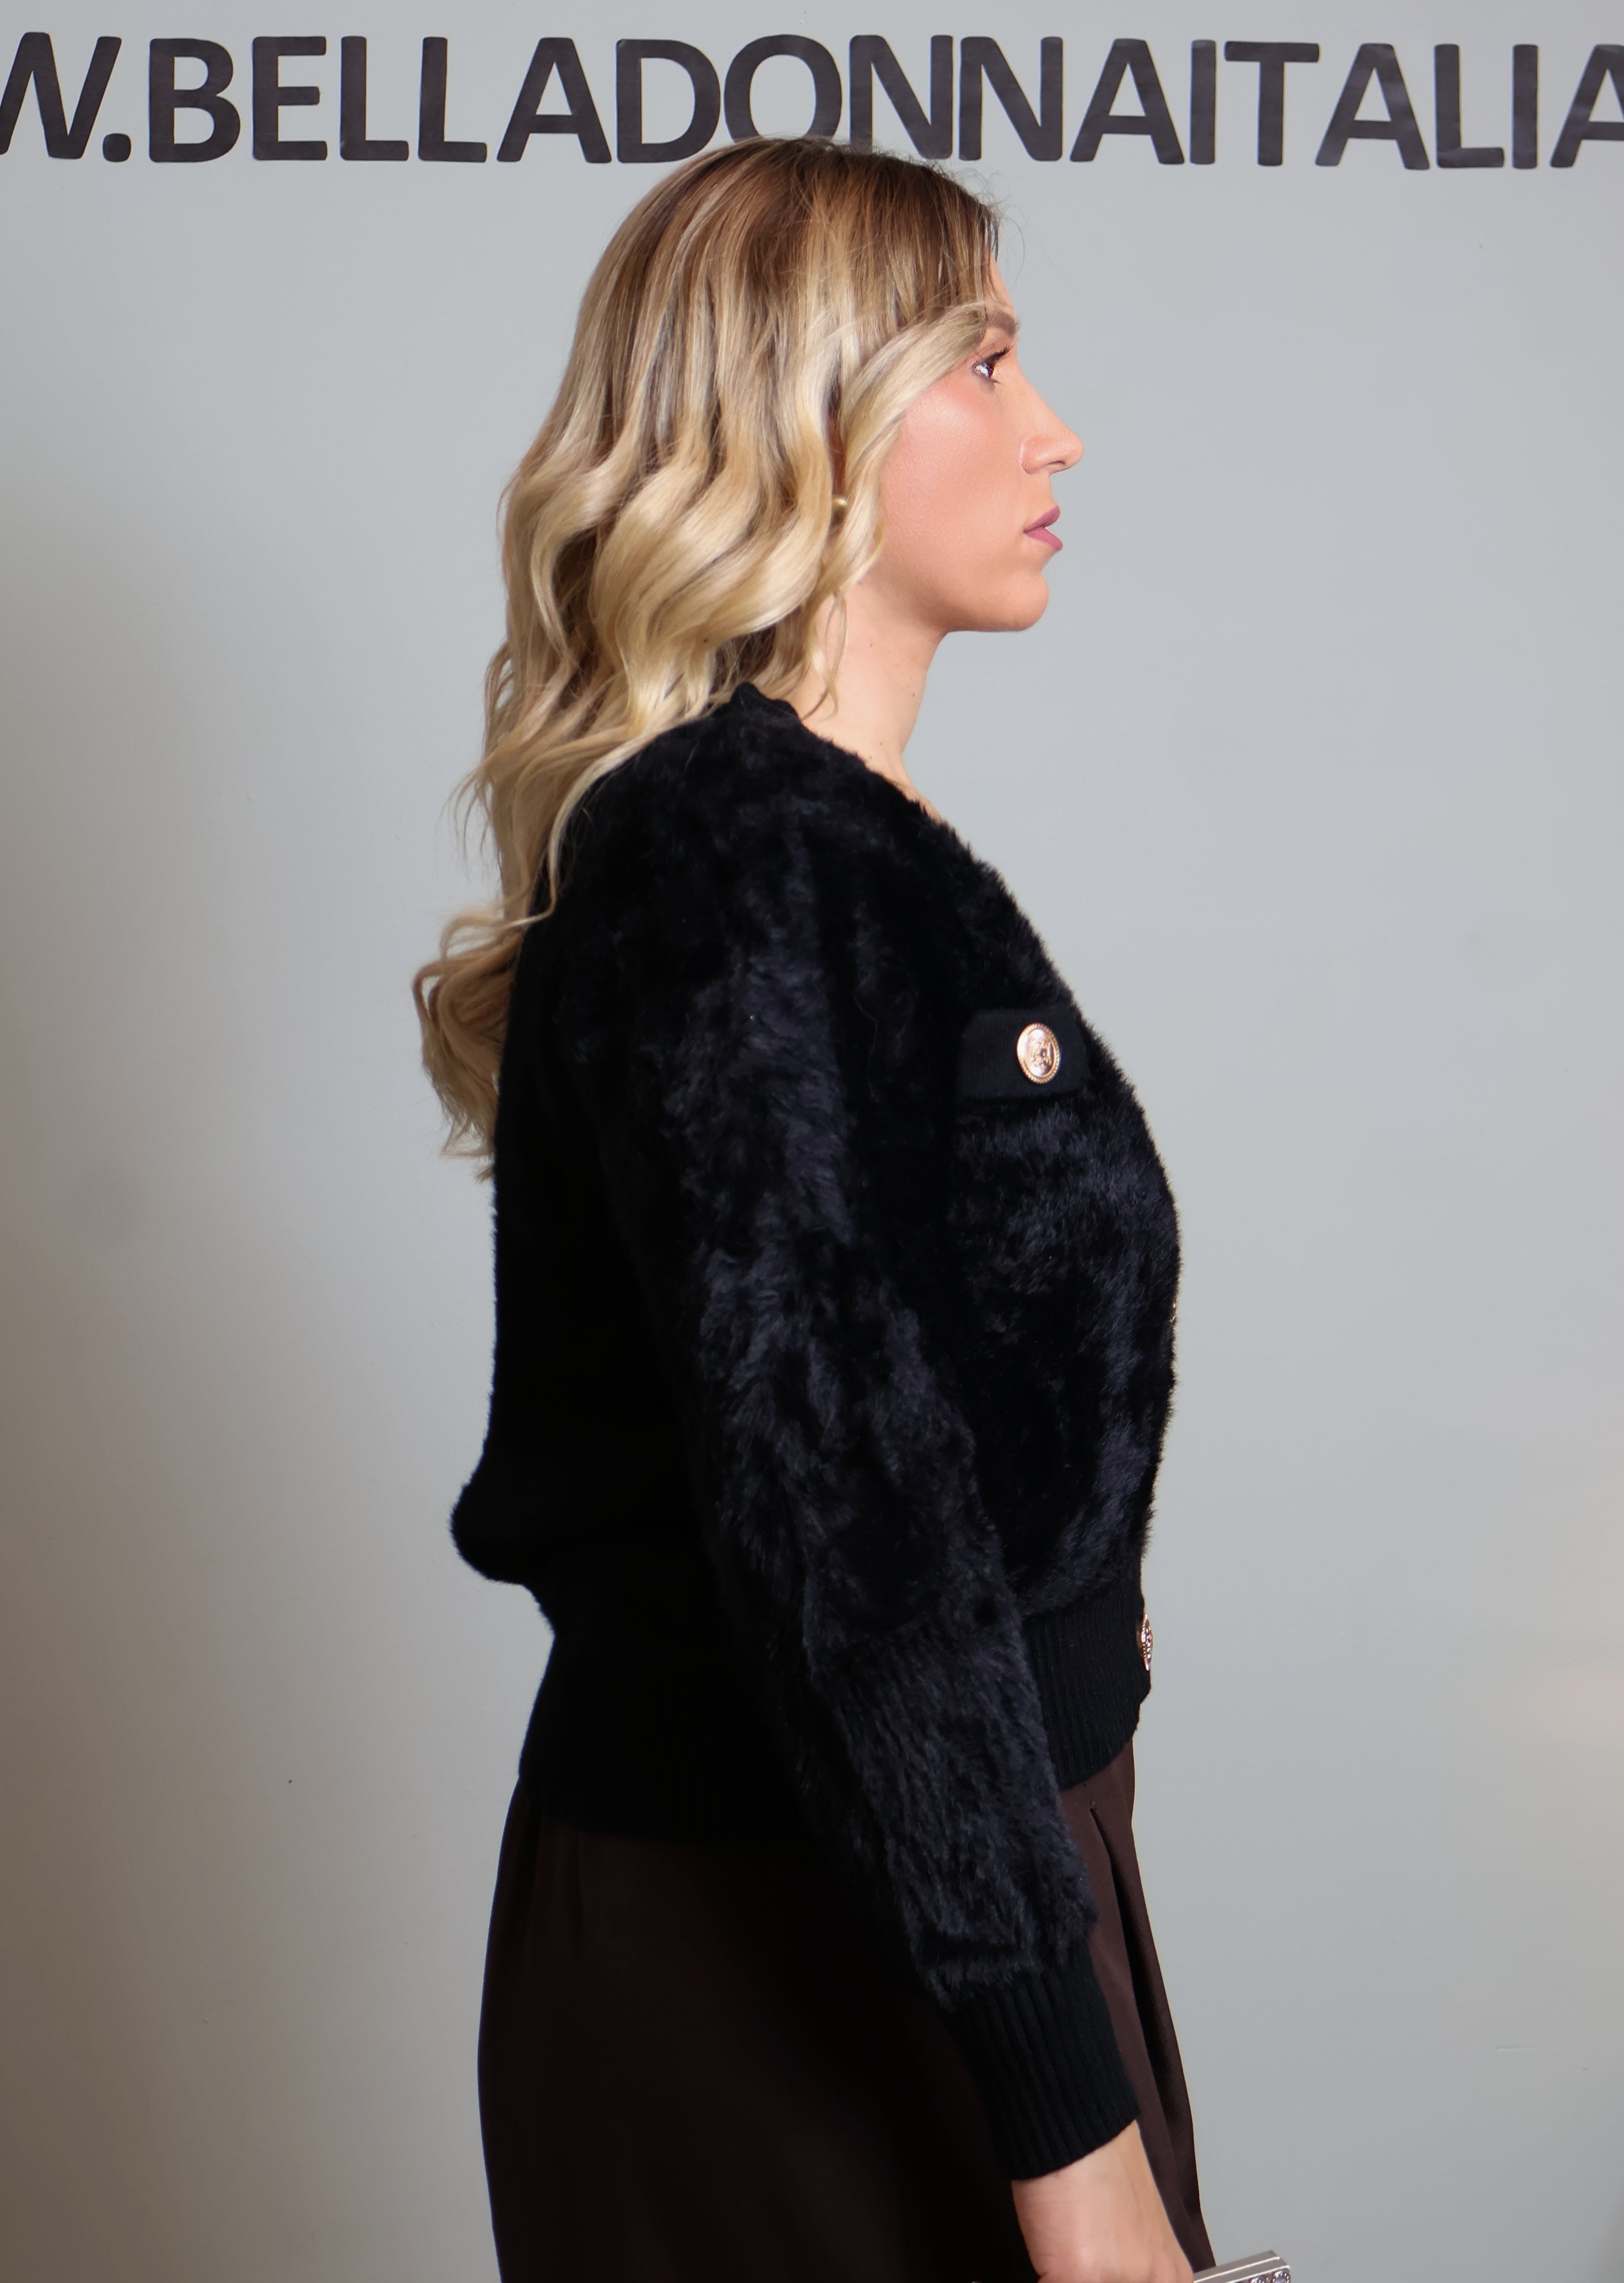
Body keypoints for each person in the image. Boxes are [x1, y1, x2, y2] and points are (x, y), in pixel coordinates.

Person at [414, 136, 1215, 2283]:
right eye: (986, 360)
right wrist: (1070, 2137)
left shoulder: (828, 840)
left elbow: (938, 1395)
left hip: (953, 1879)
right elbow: (847, 1510)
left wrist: (1078, 1630)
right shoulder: (736, 856)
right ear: (810, 416)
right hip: (809, 1931)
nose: (1054, 429)